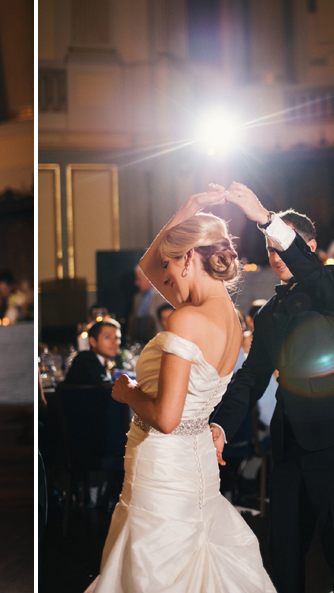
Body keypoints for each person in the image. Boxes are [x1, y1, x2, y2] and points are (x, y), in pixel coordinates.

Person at [86, 186, 275, 593]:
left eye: (173, 263)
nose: (165, 274)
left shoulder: (188, 319)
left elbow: (167, 419)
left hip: (165, 465)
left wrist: (128, 392)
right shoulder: (230, 318)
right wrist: (190, 209)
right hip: (197, 465)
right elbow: (149, 265)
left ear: (190, 257)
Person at [211, 183, 334, 593]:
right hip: (288, 447)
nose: (276, 255)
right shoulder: (267, 311)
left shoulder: (333, 284)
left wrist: (266, 219)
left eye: (282, 246)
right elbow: (252, 376)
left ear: (310, 246)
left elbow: (310, 269)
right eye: (269, 248)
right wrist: (221, 427)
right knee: (284, 556)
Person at [63, 319, 120, 385]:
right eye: (107, 337)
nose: (115, 342)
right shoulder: (85, 359)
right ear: (93, 341)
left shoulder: (106, 364)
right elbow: (102, 386)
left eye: (117, 338)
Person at [126, 264, 168, 344]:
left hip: (157, 342)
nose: (136, 283)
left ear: (149, 278)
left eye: (138, 279)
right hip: (138, 343)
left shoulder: (163, 296)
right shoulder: (137, 298)